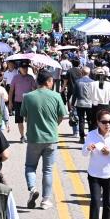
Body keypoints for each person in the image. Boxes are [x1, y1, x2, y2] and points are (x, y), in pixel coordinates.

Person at [20, 69, 67, 210]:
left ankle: (33, 188)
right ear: (48, 81)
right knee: (47, 170)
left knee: (30, 166)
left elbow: (24, 115)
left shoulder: (28, 97)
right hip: (51, 137)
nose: (53, 83)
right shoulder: (56, 96)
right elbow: (61, 116)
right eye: (52, 80)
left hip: (34, 137)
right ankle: (46, 200)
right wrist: (53, 125)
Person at [9, 61, 37, 143]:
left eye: (26, 68)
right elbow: (11, 91)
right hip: (18, 102)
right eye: (23, 68)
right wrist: (10, 102)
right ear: (19, 68)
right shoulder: (15, 78)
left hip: (29, 102)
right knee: (19, 120)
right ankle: (22, 136)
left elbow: (35, 90)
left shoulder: (31, 77)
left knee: (29, 120)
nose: (25, 69)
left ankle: (29, 134)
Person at [73, 66, 94, 144]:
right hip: (90, 103)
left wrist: (72, 104)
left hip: (80, 103)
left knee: (81, 121)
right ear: (89, 73)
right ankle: (91, 138)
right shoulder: (93, 82)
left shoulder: (77, 81)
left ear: (82, 73)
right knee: (90, 121)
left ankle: (82, 138)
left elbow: (75, 94)